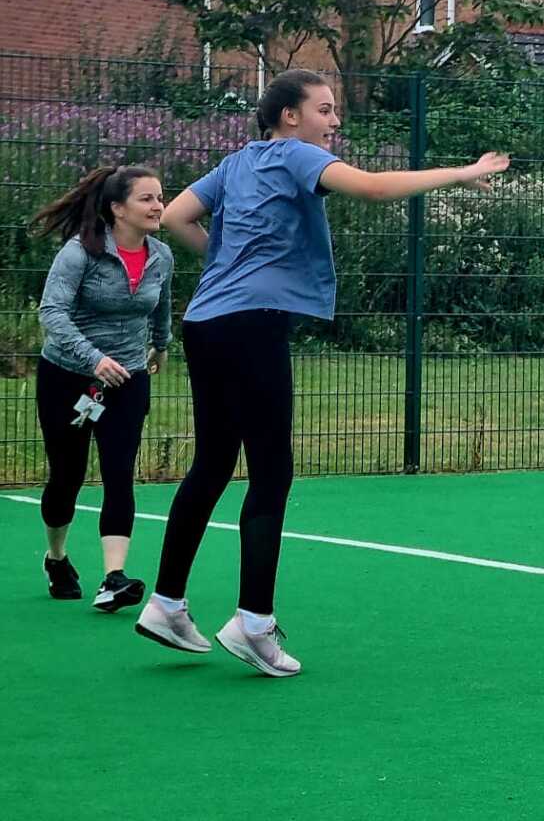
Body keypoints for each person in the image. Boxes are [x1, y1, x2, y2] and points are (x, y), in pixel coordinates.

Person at [135, 68, 508, 677]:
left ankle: (167, 603)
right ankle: (254, 622)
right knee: (272, 472)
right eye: (326, 110)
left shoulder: (237, 162)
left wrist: (230, 259)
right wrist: (464, 173)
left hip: (207, 325)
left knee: (211, 464)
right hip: (252, 325)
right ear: (290, 116)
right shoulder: (295, 156)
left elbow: (175, 217)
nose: (335, 121)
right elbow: (374, 188)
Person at [30, 165, 175, 612]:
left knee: (118, 472)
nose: (157, 207)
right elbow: (52, 313)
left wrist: (162, 344)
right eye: (146, 199)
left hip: (128, 380)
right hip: (68, 378)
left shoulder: (161, 255)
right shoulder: (79, 254)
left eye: (160, 198)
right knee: (67, 476)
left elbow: (161, 304)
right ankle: (56, 558)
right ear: (117, 209)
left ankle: (114, 578)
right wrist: (94, 359)